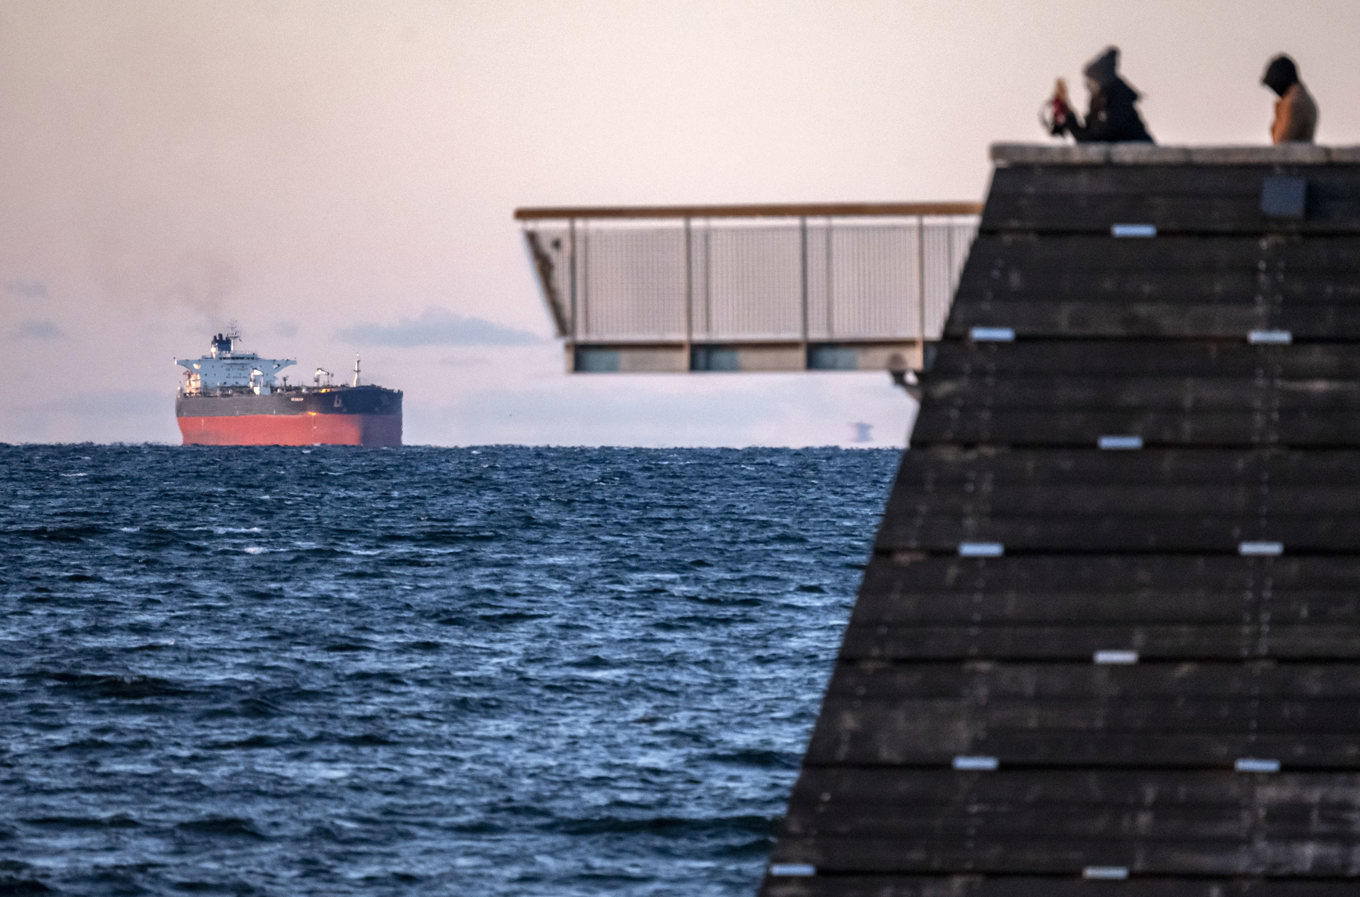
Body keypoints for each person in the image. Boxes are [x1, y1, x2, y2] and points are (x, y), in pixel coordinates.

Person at [1047, 46, 1153, 143]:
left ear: (1100, 81)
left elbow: (1096, 139)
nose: (1087, 86)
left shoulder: (1118, 102)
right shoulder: (1098, 103)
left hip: (1140, 160)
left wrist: (1071, 123)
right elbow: (1088, 135)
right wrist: (1068, 118)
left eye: (1090, 82)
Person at [1262, 54, 1318, 143]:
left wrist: (1279, 109)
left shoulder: (1294, 103)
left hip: (1297, 156)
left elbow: (1281, 141)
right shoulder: (1300, 98)